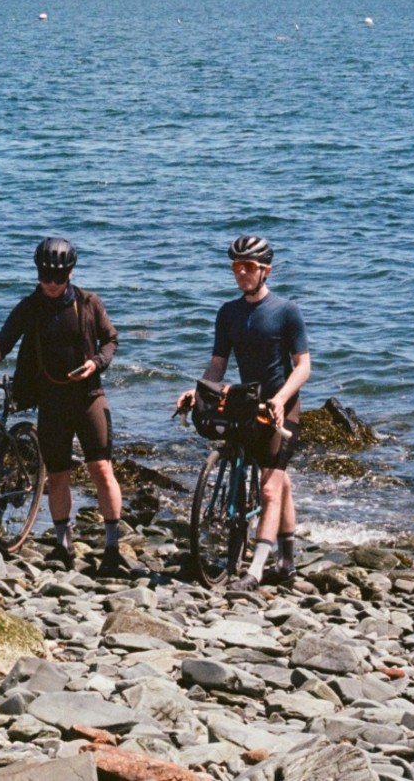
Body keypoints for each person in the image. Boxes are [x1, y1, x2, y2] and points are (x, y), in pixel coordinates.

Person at [0, 237, 132, 577]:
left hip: (88, 398)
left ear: (70, 273)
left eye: (59, 277)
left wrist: (96, 363)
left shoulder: (88, 303)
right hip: (51, 401)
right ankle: (62, 544)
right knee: (57, 475)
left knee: (101, 469)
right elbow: (3, 341)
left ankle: (112, 548)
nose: (52, 284)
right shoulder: (30, 306)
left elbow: (111, 339)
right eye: (45, 276)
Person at [179, 235, 311, 591]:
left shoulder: (286, 311)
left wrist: (282, 398)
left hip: (283, 406)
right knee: (278, 482)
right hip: (248, 402)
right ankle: (286, 558)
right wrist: (199, 390)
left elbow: (303, 367)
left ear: (265, 270)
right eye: (236, 266)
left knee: (270, 489)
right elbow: (218, 364)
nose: (241, 272)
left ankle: (254, 571)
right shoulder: (228, 312)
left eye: (249, 266)